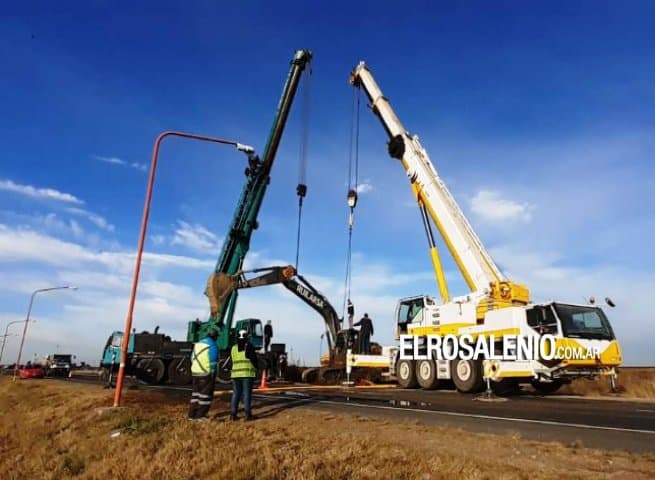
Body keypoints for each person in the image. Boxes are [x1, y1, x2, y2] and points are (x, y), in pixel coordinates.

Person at [187, 328, 219, 421]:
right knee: (205, 395)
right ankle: (200, 416)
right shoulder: (212, 345)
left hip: (195, 372)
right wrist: (213, 373)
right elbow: (213, 361)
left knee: (195, 395)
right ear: (214, 336)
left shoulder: (198, 344)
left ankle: (191, 415)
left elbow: (192, 358)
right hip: (206, 373)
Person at [230, 329, 258, 421]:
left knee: (236, 394)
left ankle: (233, 415)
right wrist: (257, 368)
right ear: (247, 336)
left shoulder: (233, 348)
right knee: (247, 394)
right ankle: (247, 415)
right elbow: (254, 360)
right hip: (247, 374)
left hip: (235, 374)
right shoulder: (249, 346)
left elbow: (232, 360)